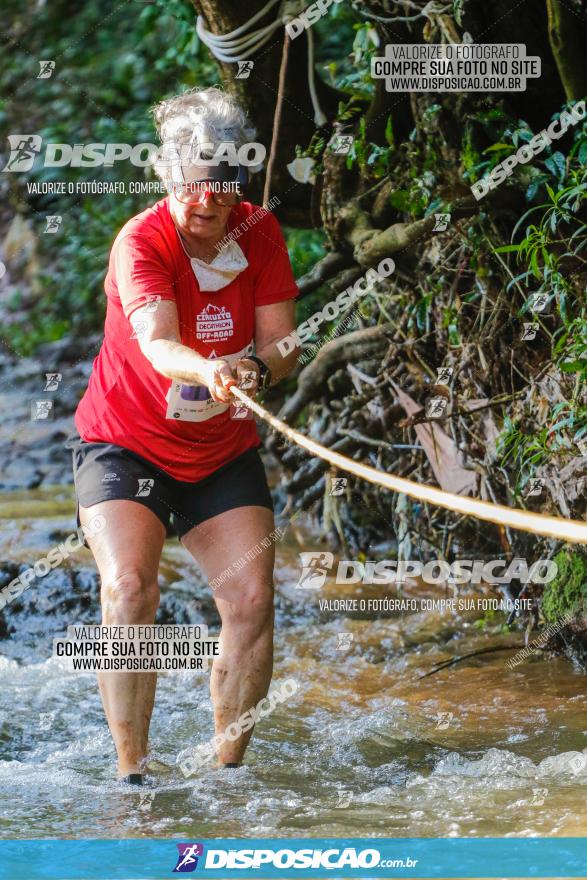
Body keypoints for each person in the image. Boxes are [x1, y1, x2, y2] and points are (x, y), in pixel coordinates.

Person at [68, 87, 300, 784]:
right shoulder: (140, 241)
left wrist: (256, 368)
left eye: (223, 192)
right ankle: (132, 771)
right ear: (169, 182)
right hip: (124, 442)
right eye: (195, 192)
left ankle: (228, 770)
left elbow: (285, 342)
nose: (209, 207)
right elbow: (158, 344)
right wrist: (212, 368)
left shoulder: (258, 232)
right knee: (131, 588)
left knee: (252, 599)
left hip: (221, 450)